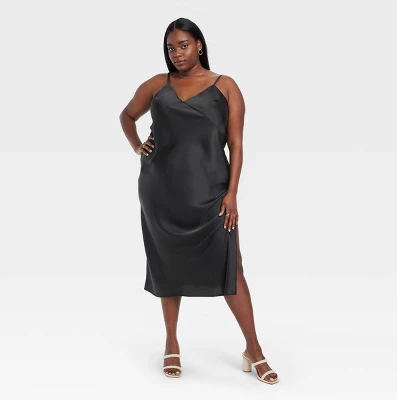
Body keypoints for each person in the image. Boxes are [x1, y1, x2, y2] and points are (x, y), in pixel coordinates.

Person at [119, 17, 279, 384]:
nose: (176, 53)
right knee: (167, 266)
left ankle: (254, 349)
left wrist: (232, 193)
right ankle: (171, 342)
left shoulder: (226, 86)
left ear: (199, 45)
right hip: (161, 192)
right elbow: (127, 115)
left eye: (183, 45)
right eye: (171, 47)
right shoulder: (157, 85)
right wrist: (137, 145)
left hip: (212, 195)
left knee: (232, 269)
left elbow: (236, 144)